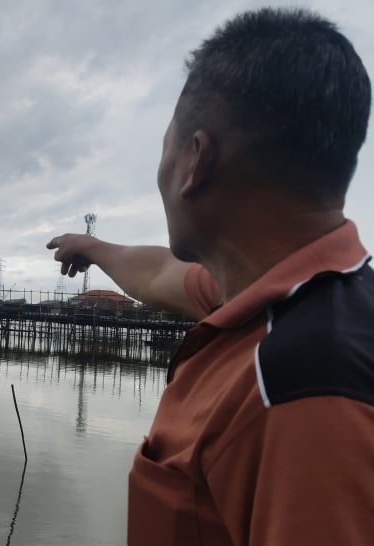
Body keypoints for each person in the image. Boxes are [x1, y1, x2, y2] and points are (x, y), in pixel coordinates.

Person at [47, 8, 373, 546]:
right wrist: (95, 248)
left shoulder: (305, 389)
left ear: (195, 161)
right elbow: (159, 273)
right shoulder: (281, 297)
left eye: (165, 148)